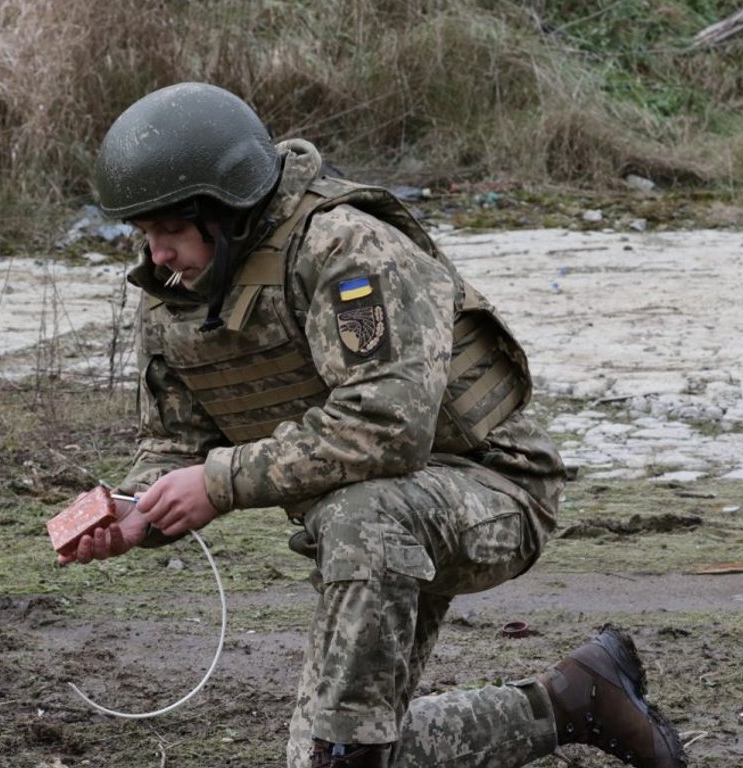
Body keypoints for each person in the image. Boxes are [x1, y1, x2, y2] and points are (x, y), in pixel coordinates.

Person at [59, 81, 686, 768]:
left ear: (227, 211)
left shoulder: (346, 251)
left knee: (361, 519)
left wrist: (220, 482)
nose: (157, 257)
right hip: (378, 524)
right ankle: (575, 700)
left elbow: (386, 426)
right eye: (145, 236)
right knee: (338, 755)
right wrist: (134, 511)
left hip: (494, 489)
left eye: (172, 232)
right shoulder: (173, 299)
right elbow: (174, 442)